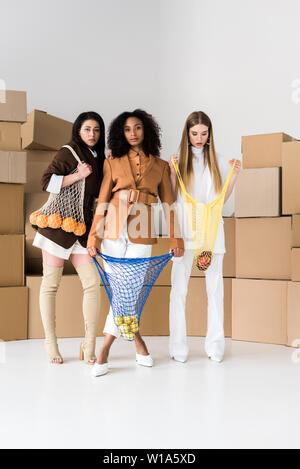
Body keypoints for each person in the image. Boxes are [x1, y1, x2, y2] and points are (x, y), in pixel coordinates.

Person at [87, 109, 184, 377]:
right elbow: (103, 200)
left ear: (147, 131)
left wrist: (176, 238)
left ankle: (105, 346)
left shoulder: (161, 166)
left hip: (143, 229)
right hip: (112, 231)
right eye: (128, 129)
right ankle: (137, 341)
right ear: (122, 132)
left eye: (138, 128)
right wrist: (93, 236)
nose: (133, 133)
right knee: (121, 290)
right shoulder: (112, 162)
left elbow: (169, 205)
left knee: (129, 289)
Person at [32, 112, 105, 364]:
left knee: (92, 283)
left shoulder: (100, 157)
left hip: (82, 229)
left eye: (96, 130)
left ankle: (89, 344)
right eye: (87, 129)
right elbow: (45, 182)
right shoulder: (68, 152)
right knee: (51, 285)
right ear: (78, 130)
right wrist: (76, 175)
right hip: (58, 227)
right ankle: (51, 345)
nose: (92, 135)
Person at [168, 111, 241, 363]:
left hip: (212, 231)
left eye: (204, 133)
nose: (199, 138)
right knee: (179, 290)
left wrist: (233, 177)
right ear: (187, 133)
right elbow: (173, 198)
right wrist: (171, 170)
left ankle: (215, 345)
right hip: (186, 231)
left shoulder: (219, 161)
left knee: (215, 290)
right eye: (194, 133)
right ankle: (178, 347)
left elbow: (220, 201)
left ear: (210, 134)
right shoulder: (178, 161)